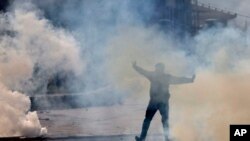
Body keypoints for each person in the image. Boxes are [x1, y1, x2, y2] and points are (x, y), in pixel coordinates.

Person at [133, 61, 195, 141]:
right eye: (157, 68)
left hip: (161, 102)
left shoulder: (159, 76)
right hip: (156, 102)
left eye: (159, 68)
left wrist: (190, 80)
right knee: (151, 120)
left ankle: (161, 138)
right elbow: (143, 71)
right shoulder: (157, 76)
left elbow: (178, 80)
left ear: (161, 69)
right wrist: (135, 67)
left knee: (157, 120)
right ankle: (146, 138)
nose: (157, 70)